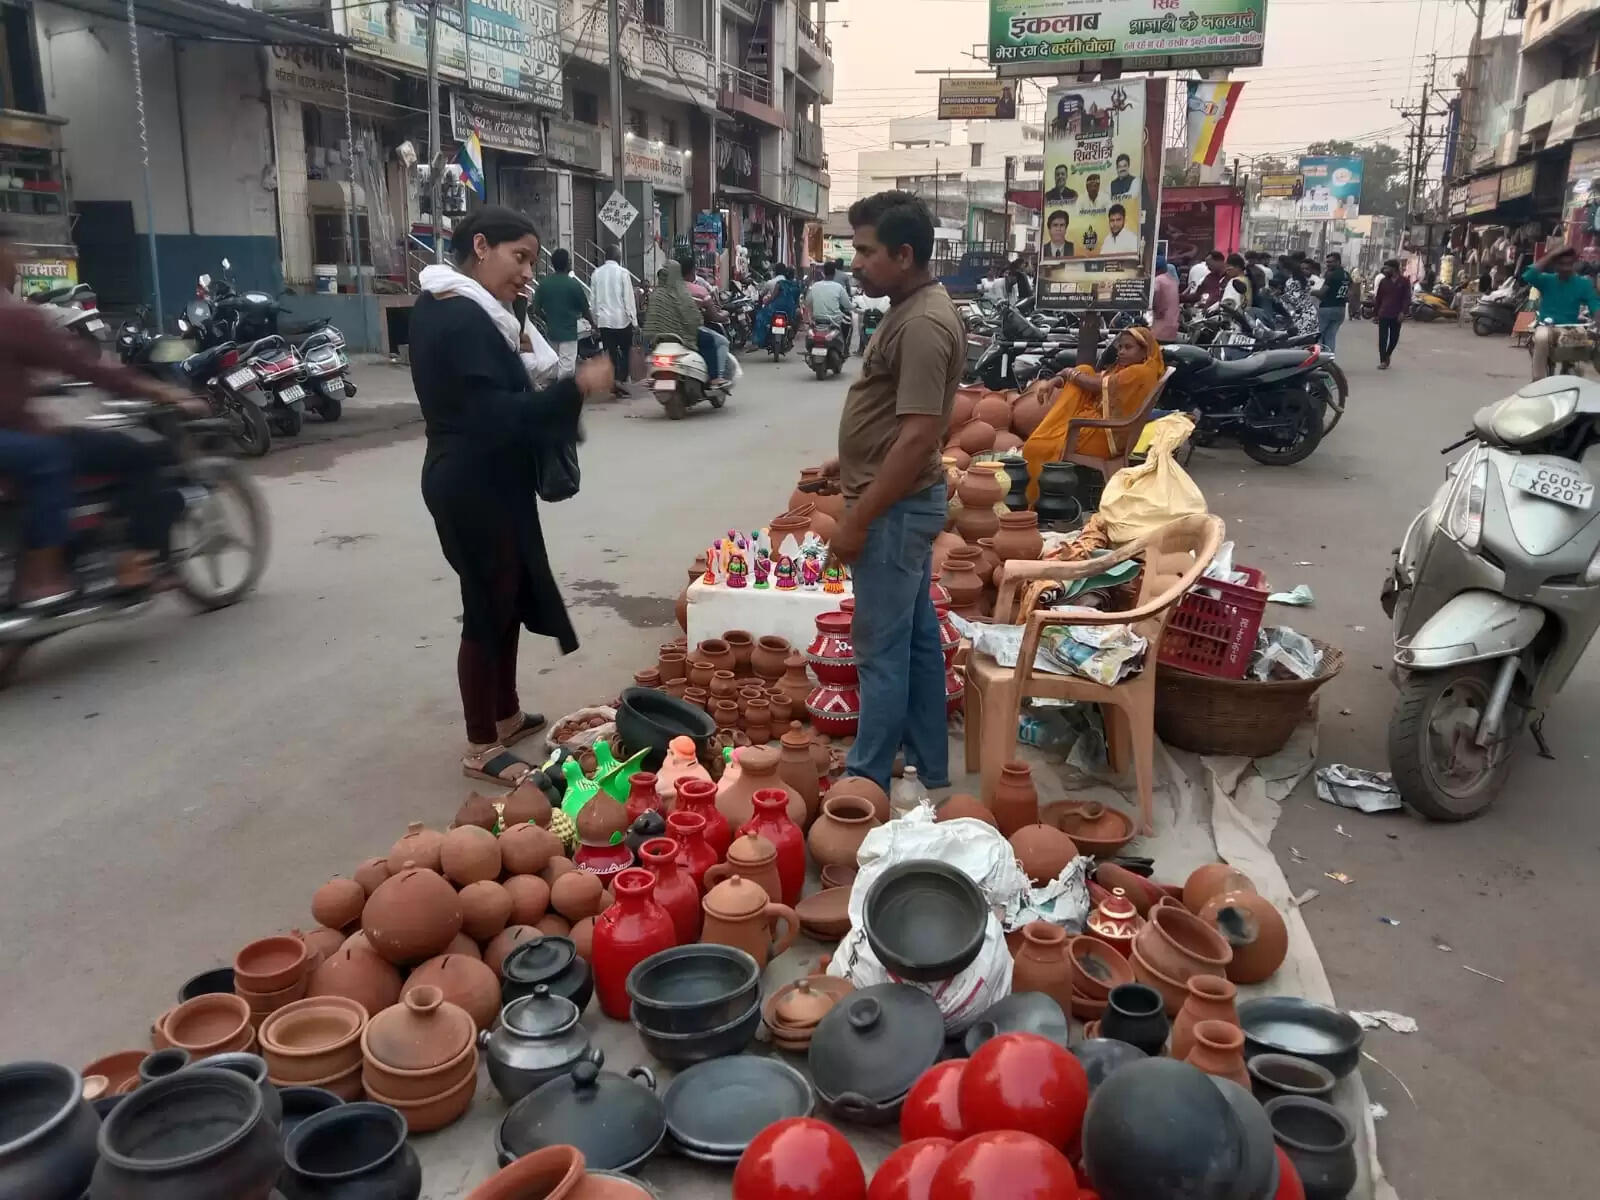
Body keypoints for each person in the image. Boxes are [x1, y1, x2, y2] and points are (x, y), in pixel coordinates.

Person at [410, 206, 613, 785]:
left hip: (487, 474)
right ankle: (481, 743)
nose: (527, 272)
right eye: (519, 257)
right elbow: (495, 415)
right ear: (481, 245)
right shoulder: (460, 319)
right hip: (471, 479)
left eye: (532, 260)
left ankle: (506, 713)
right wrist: (575, 387)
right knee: (486, 604)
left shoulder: (468, 310)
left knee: (509, 594)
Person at [818, 190, 963, 794]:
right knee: (917, 641)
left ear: (904, 255)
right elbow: (894, 420)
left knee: (879, 648)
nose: (855, 262)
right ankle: (929, 768)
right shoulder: (909, 307)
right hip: (897, 502)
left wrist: (856, 520)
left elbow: (917, 437)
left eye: (866, 251)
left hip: (896, 510)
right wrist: (847, 459)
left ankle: (866, 779)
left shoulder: (925, 322)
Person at [0, 230, 194, 607]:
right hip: (16, 438)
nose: (15, 257)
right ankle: (123, 565)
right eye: (8, 249)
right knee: (137, 454)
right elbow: (87, 366)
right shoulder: (14, 316)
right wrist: (160, 391)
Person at [1020, 318, 1166, 501]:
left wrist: (1067, 372)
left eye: (1128, 348)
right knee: (1085, 369)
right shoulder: (1132, 368)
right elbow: (1093, 376)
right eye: (1120, 347)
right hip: (1105, 430)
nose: (1121, 352)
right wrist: (1057, 379)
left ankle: (1034, 501)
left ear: (1145, 351)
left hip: (1105, 437)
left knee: (1036, 447)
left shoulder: (1138, 372)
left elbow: (1095, 384)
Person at [1524, 246, 1600, 380]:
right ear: (1554, 264)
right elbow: (1528, 275)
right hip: (1547, 327)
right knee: (1541, 337)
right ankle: (1538, 381)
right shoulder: (1546, 280)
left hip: (1570, 328)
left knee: (1592, 344)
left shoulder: (1583, 284)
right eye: (1561, 264)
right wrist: (1551, 255)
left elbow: (1595, 305)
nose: (1566, 268)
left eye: (1569, 264)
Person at [530, 249, 593, 377]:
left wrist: (547, 319)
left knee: (555, 365)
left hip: (552, 332)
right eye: (569, 261)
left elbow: (535, 310)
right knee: (567, 369)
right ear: (567, 263)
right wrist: (594, 325)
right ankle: (562, 394)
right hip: (569, 332)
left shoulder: (544, 284)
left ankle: (553, 391)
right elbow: (585, 309)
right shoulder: (573, 284)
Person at [590, 243, 637, 396]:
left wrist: (595, 322)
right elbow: (628, 300)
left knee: (610, 352)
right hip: (622, 320)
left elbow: (593, 300)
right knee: (625, 350)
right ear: (619, 258)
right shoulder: (623, 273)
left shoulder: (596, 273)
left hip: (604, 321)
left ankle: (614, 381)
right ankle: (621, 380)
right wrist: (634, 321)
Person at [1373, 258, 1412, 370]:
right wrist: (1375, 314)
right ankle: (1383, 361)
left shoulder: (1404, 281)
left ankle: (1388, 354)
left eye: (1387, 268)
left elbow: (1407, 298)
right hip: (1384, 313)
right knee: (1382, 338)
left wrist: (1403, 312)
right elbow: (1378, 298)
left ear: (1394, 269)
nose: (1385, 270)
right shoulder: (1384, 281)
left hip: (1397, 314)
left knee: (1394, 338)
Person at [754, 265, 802, 349]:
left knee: (760, 317)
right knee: (797, 317)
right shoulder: (796, 285)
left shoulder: (780, 283)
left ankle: (763, 339)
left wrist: (766, 304)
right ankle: (791, 336)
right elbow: (797, 300)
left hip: (776, 307)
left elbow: (773, 297)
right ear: (793, 275)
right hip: (790, 309)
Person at [1314, 250, 1350, 351]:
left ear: (1338, 262)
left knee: (1318, 335)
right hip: (1341, 309)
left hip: (1327, 308)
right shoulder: (1346, 274)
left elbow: (1322, 293)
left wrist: (1309, 291)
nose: (1328, 264)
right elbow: (1349, 293)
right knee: (1330, 336)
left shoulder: (1331, 275)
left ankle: (1318, 358)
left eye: (1331, 262)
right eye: (1327, 262)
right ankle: (1329, 359)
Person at [1151, 253, 1180, 341]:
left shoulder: (1158, 280)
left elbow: (1155, 294)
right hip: (1173, 328)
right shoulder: (1172, 280)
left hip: (1160, 329)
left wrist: (1157, 308)